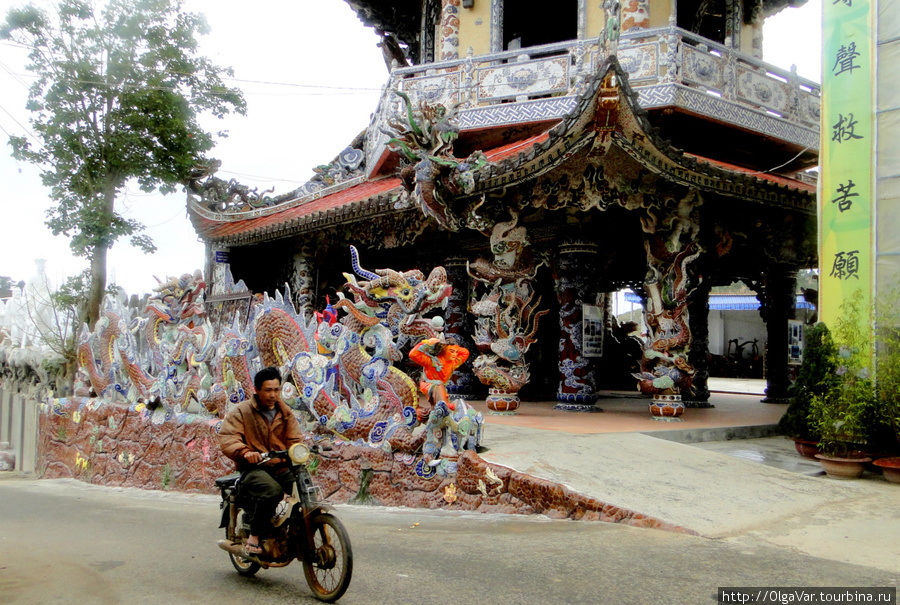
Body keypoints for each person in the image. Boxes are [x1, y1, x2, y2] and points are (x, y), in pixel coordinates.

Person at [218, 366, 303, 556]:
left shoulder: (285, 412)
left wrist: (298, 450)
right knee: (272, 492)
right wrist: (245, 452)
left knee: (305, 490)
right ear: (257, 390)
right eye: (268, 390)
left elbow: (294, 438)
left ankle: (295, 531)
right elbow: (228, 438)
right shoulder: (242, 412)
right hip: (254, 469)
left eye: (276, 390)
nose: (273, 395)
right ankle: (254, 536)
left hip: (281, 467)